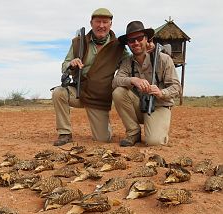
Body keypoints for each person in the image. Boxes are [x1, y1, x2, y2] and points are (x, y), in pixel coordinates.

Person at [51, 8, 128, 146]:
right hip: (80, 92)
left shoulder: (119, 46)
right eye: (97, 21)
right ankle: (64, 134)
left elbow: (130, 64)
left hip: (99, 97)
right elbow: (64, 66)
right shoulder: (77, 42)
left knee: (102, 139)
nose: (101, 25)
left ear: (111, 24)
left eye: (105, 22)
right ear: (91, 23)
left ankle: (104, 127)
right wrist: (72, 64)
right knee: (59, 92)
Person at [112, 21, 182, 147]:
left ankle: (156, 127)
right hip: (140, 105)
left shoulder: (164, 59)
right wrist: (133, 80)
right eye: (132, 40)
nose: (136, 43)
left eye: (139, 38)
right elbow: (115, 81)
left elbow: (176, 87)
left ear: (147, 39)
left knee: (154, 142)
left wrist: (161, 93)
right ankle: (133, 133)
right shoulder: (127, 62)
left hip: (159, 105)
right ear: (128, 44)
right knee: (118, 92)